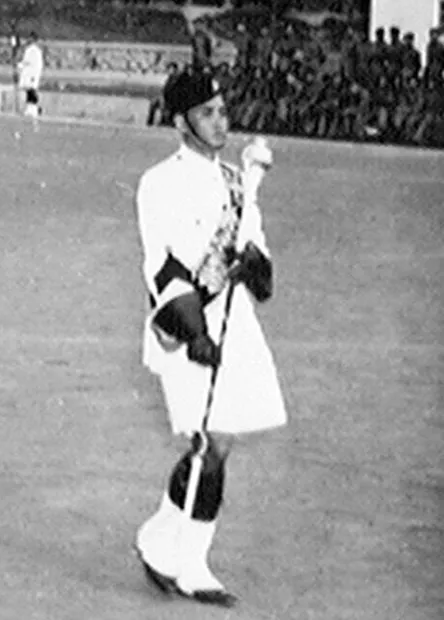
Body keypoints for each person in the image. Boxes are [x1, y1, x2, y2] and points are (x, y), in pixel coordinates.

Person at [132, 69, 285, 607]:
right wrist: (195, 333)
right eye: (207, 113)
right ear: (181, 122)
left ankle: (159, 538)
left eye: (223, 110)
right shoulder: (160, 182)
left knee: (218, 443)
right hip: (185, 323)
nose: (221, 122)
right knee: (205, 445)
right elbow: (163, 265)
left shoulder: (239, 182)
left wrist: (253, 263)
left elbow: (261, 262)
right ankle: (191, 564)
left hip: (235, 322)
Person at [17, 33, 44, 118]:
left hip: (32, 74)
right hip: (28, 73)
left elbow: (28, 61)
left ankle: (34, 109)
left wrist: (20, 65)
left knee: (31, 91)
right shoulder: (29, 49)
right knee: (28, 91)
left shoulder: (34, 50)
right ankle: (29, 109)